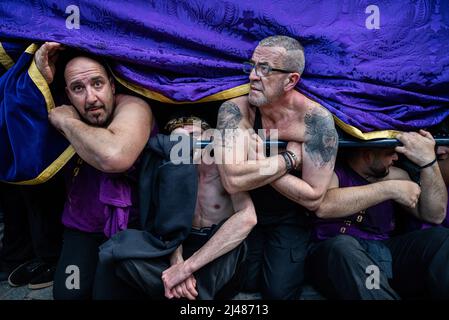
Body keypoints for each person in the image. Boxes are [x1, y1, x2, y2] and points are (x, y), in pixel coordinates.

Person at [214, 35, 338, 299]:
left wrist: (255, 163)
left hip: (289, 218)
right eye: (252, 66)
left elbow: (314, 196)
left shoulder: (316, 121)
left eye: (265, 69)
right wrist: (288, 160)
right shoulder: (235, 110)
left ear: (290, 81)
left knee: (278, 292)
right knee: (237, 282)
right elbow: (233, 181)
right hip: (245, 212)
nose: (252, 76)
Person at [31, 42, 154, 299]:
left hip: (132, 227)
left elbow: (113, 155)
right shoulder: (64, 106)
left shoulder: (133, 106)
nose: (91, 98)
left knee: (105, 295)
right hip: (83, 225)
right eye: (78, 88)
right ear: (67, 94)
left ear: (112, 84)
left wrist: (67, 121)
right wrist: (40, 77)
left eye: (97, 84)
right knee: (69, 294)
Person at [93, 116, 256, 300]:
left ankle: (183, 292)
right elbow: (167, 225)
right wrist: (176, 261)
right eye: (178, 140)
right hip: (179, 244)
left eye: (194, 136)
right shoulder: (170, 169)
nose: (186, 145)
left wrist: (186, 269)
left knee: (236, 244)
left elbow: (248, 218)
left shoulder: (223, 168)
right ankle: (184, 290)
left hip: (216, 250)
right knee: (119, 253)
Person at [306, 130, 449, 299]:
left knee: (442, 239)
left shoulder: (396, 175)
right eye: (389, 154)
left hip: (381, 252)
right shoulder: (334, 172)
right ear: (367, 155)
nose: (395, 159)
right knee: (343, 247)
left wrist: (428, 162)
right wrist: (389, 190)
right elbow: (325, 206)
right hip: (336, 256)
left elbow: (435, 215)